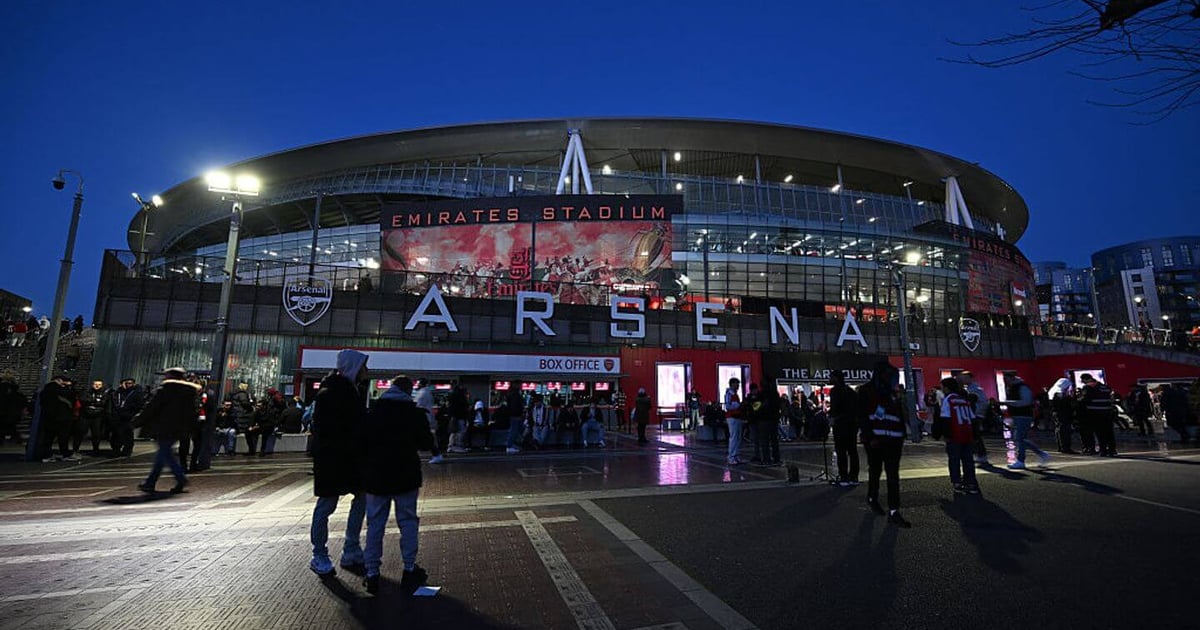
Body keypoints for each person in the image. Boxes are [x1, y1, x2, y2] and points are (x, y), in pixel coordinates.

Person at [360, 375, 435, 595]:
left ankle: (372, 572)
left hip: (376, 476)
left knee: (375, 524)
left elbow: (362, 443)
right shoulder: (414, 413)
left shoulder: (373, 412)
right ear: (408, 390)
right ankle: (409, 568)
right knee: (408, 522)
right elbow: (426, 443)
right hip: (406, 475)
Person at [309, 349, 369, 577]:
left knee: (356, 499)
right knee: (328, 504)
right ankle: (321, 554)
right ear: (354, 368)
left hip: (345, 457)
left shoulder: (347, 390)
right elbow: (334, 428)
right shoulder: (333, 393)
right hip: (334, 458)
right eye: (363, 366)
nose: (366, 371)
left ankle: (349, 549)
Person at [858, 360, 911, 528]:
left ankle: (894, 510)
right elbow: (863, 416)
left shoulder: (891, 393)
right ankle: (873, 498)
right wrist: (869, 436)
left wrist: (902, 433)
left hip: (893, 439)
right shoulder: (867, 391)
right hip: (876, 439)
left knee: (892, 475)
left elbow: (898, 414)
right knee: (876, 470)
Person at [135, 368, 199, 494]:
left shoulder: (166, 390)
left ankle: (178, 479)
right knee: (164, 454)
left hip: (163, 427)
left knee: (165, 454)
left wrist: (137, 422)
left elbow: (152, 408)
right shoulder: (189, 392)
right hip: (178, 428)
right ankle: (153, 482)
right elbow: (192, 412)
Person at [934, 377, 980, 494]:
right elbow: (973, 418)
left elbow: (945, 419)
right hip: (967, 434)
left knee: (954, 460)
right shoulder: (964, 400)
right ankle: (971, 483)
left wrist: (946, 435)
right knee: (968, 460)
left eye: (942, 387)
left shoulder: (948, 400)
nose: (942, 389)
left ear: (947, 388)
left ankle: (957, 483)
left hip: (955, 434)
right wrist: (975, 435)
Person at [1003, 373, 1050, 469]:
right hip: (1018, 415)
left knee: (1020, 438)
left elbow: (1026, 401)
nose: (1006, 381)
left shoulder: (1022, 387)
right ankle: (1041, 454)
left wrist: (1007, 402)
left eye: (1007, 379)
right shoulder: (1015, 387)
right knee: (1021, 439)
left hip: (1024, 416)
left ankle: (1021, 460)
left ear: (1012, 378)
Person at [829, 370, 860, 487]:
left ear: (836, 378)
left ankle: (844, 477)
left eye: (831, 377)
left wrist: (832, 418)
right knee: (852, 451)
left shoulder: (835, 391)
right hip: (851, 425)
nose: (830, 379)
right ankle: (854, 477)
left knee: (841, 451)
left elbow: (834, 408)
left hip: (840, 424)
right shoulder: (851, 391)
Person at [37, 375, 75, 462]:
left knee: (49, 437)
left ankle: (47, 455)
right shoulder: (58, 389)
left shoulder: (46, 390)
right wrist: (69, 386)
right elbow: (71, 394)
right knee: (62, 437)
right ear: (59, 380)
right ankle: (63, 454)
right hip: (61, 417)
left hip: (50, 416)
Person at [1078, 374, 1118, 456]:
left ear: (1085, 379)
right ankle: (1112, 450)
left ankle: (1103, 450)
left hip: (1095, 413)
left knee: (1100, 433)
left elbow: (1085, 399)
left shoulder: (1088, 387)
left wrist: (1077, 400)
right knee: (1109, 432)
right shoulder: (1105, 387)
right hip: (1107, 412)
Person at [958, 371, 990, 465]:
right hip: (973, 414)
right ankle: (979, 455)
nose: (963, 380)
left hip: (975, 415)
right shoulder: (970, 388)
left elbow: (983, 403)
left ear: (970, 378)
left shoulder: (975, 389)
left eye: (965, 378)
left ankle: (981, 455)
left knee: (975, 436)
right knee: (974, 436)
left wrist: (978, 413)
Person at [111, 378, 144, 457]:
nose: (128, 385)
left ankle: (127, 450)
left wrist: (132, 413)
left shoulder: (136, 393)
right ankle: (116, 449)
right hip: (119, 415)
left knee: (127, 434)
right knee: (117, 433)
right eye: (126, 383)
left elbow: (138, 405)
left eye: (130, 383)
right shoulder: (119, 392)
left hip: (129, 416)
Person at [414, 378, 444, 464]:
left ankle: (436, 454)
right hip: (426, 418)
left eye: (418, 383)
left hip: (422, 418)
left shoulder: (422, 393)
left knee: (425, 437)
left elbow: (417, 406)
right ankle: (436, 454)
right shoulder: (427, 392)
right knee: (426, 437)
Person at [81, 380, 113, 456]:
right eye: (95, 384)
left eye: (99, 384)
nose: (97, 386)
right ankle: (75, 449)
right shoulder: (87, 392)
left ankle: (96, 450)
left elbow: (103, 403)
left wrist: (93, 403)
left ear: (102, 385)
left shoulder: (105, 394)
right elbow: (84, 401)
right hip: (86, 415)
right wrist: (96, 402)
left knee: (96, 434)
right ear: (92, 385)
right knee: (81, 432)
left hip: (98, 416)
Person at [754, 382, 781, 466]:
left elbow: (755, 407)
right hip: (773, 419)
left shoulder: (760, 395)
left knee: (765, 441)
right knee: (774, 440)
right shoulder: (775, 394)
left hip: (763, 420)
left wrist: (762, 406)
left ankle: (766, 459)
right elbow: (779, 406)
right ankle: (776, 459)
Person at [0, 373, 27, 446]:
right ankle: (17, 439)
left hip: (3, 412)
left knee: (6, 427)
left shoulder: (3, 389)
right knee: (11, 427)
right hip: (13, 413)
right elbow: (23, 400)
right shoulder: (15, 390)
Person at [724, 377, 744, 465]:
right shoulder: (729, 394)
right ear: (732, 384)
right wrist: (737, 405)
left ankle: (736, 455)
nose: (738, 385)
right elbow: (728, 406)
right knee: (733, 437)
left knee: (738, 437)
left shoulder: (735, 394)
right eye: (737, 384)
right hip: (731, 417)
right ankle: (731, 457)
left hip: (737, 417)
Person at [447, 383, 470, 453]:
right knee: (460, 432)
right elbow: (464, 407)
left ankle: (450, 446)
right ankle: (457, 446)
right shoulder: (461, 398)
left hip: (453, 416)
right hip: (460, 416)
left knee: (453, 432)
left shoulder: (452, 397)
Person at [504, 386, 525, 454]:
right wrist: (520, 413)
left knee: (514, 430)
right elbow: (517, 406)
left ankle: (511, 445)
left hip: (512, 415)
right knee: (514, 431)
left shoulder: (510, 396)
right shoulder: (516, 396)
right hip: (516, 415)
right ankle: (510, 446)